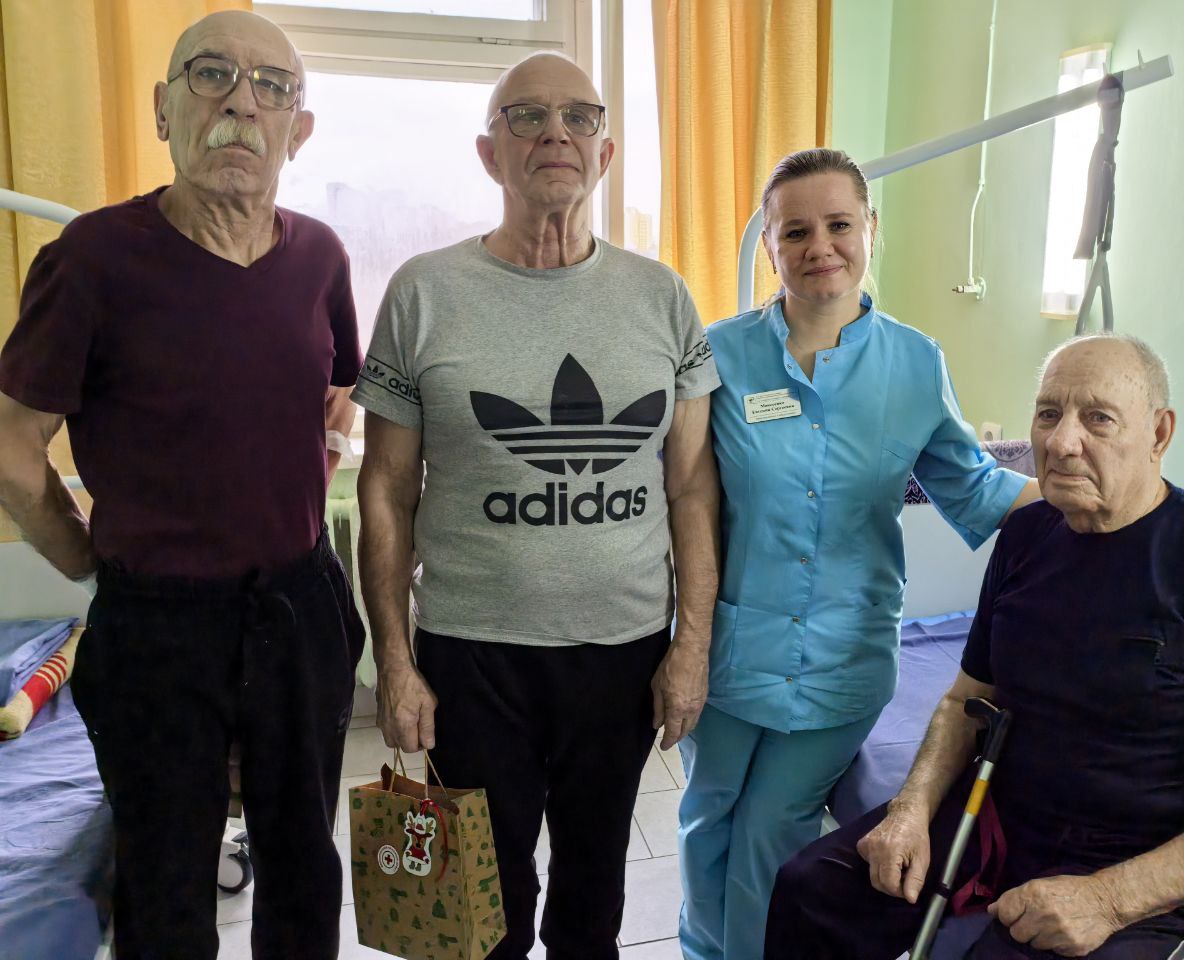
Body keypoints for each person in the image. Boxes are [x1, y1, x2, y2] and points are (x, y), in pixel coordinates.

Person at [0, 10, 364, 958]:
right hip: (156, 627)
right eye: (212, 76)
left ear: (298, 129)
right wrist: (90, 562)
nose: (242, 103)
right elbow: (11, 446)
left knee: (304, 866)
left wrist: (305, 486)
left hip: (299, 608)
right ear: (164, 110)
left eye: (272, 87)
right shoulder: (92, 259)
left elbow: (337, 393)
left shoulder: (320, 256)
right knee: (164, 889)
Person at [352, 51, 721, 960]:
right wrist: (394, 661)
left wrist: (691, 647)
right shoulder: (423, 292)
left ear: (604, 152)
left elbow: (690, 487)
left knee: (594, 889)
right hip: (473, 653)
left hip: (624, 651)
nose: (556, 132)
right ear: (490, 153)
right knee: (486, 901)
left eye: (579, 117)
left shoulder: (663, 297)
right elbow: (386, 488)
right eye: (527, 116)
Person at [765, 334, 1184, 959]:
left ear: (1159, 433)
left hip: (1156, 854)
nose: (1061, 443)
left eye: (1098, 418)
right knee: (811, 889)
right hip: (1007, 816)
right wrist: (910, 809)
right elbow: (965, 702)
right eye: (1048, 413)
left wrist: (1107, 899)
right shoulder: (1028, 535)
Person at [676, 147, 1039, 960]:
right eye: (794, 231)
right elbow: (683, 499)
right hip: (732, 649)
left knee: (772, 829)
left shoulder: (913, 363)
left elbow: (973, 487)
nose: (820, 247)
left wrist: (1091, 496)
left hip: (844, 655)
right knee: (708, 816)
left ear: (871, 228)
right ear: (769, 245)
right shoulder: (717, 355)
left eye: (839, 224)